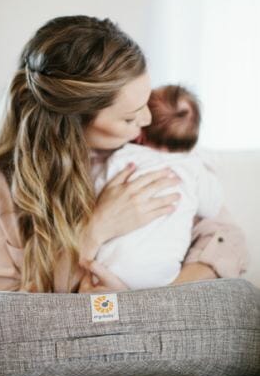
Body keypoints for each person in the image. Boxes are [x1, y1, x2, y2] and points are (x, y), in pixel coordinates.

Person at [0, 15, 250, 376]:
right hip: (72, 375)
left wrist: (151, 299)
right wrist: (95, 230)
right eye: (130, 116)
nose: (147, 120)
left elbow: (226, 237)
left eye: (146, 103)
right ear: (71, 123)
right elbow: (8, 318)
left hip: (160, 366)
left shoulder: (144, 150)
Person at [93, 85, 224, 290]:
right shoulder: (194, 167)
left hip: (109, 267)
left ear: (141, 133)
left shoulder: (124, 157)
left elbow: (97, 193)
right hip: (162, 275)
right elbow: (211, 208)